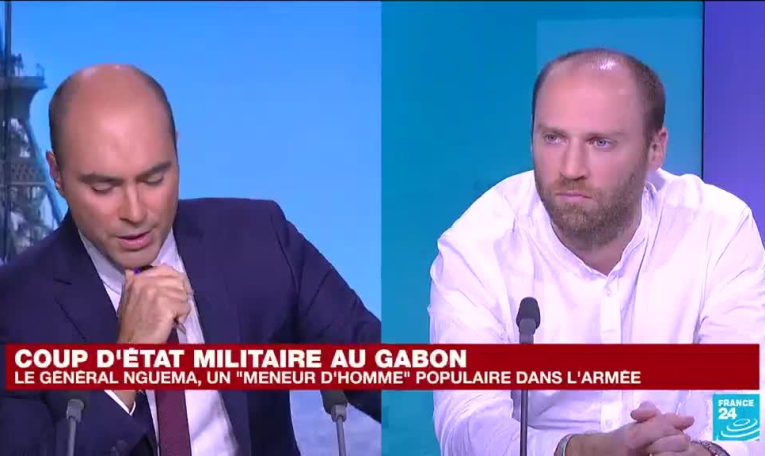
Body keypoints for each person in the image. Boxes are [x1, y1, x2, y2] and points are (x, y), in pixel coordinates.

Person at [0, 64, 381, 455]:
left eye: (154, 179)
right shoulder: (14, 305)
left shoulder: (260, 238)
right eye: (103, 187)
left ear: (176, 152)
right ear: (57, 174)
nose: (135, 212)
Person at [428, 48, 765, 456]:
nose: (571, 168)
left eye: (601, 142)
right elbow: (466, 420)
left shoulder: (718, 230)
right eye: (553, 138)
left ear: (655, 149)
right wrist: (581, 451)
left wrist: (710, 453)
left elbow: (743, 396)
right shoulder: (479, 245)